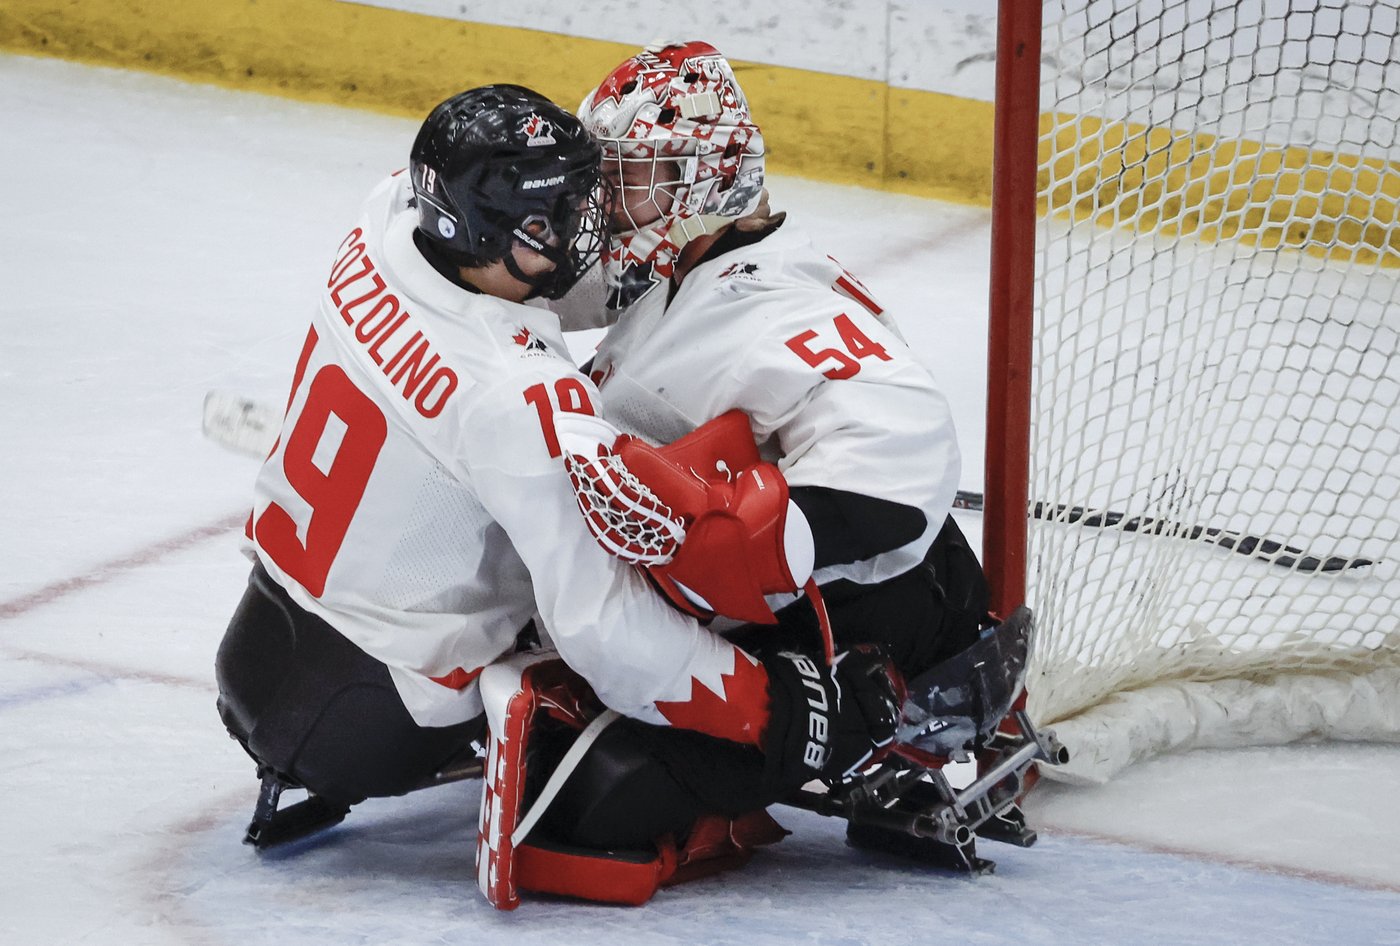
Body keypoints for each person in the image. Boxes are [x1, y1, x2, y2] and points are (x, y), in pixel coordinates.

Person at [213, 83, 902, 908]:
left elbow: (502, 294)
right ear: (493, 234)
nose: (589, 228)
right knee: (676, 581)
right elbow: (604, 630)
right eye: (559, 219)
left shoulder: (384, 222)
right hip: (379, 718)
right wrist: (779, 712)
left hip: (260, 635)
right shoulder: (519, 400)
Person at [525, 41, 996, 868]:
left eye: (631, 176)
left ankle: (862, 719)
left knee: (581, 799)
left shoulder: (776, 309)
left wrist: (754, 535)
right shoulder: (689, 265)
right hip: (778, 605)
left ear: (705, 178)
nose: (609, 199)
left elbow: (903, 445)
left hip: (879, 618)